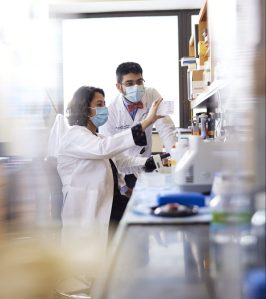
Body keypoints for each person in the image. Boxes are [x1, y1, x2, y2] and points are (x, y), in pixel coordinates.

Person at [56, 85, 165, 255]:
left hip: (110, 201)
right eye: (99, 104)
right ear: (85, 109)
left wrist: (151, 161)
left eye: (105, 104)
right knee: (93, 262)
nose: (104, 109)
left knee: (131, 242)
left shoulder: (98, 137)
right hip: (88, 209)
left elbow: (121, 161)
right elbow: (103, 149)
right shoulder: (74, 136)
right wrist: (145, 123)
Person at [99, 61, 176, 192]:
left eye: (139, 82)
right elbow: (109, 152)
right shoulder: (110, 111)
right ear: (119, 87)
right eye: (129, 83)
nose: (136, 87)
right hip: (124, 168)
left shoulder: (151, 95)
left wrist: (176, 158)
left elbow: (166, 127)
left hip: (147, 162)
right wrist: (122, 186)